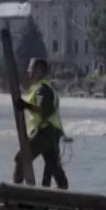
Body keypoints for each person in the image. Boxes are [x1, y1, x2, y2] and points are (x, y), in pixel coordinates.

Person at [19, 58, 68, 190]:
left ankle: (15, 197)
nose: (28, 71)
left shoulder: (43, 89)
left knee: (21, 159)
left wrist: (25, 105)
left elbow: (42, 111)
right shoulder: (44, 88)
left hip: (44, 133)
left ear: (39, 70)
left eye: (31, 68)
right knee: (54, 170)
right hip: (52, 134)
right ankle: (66, 204)